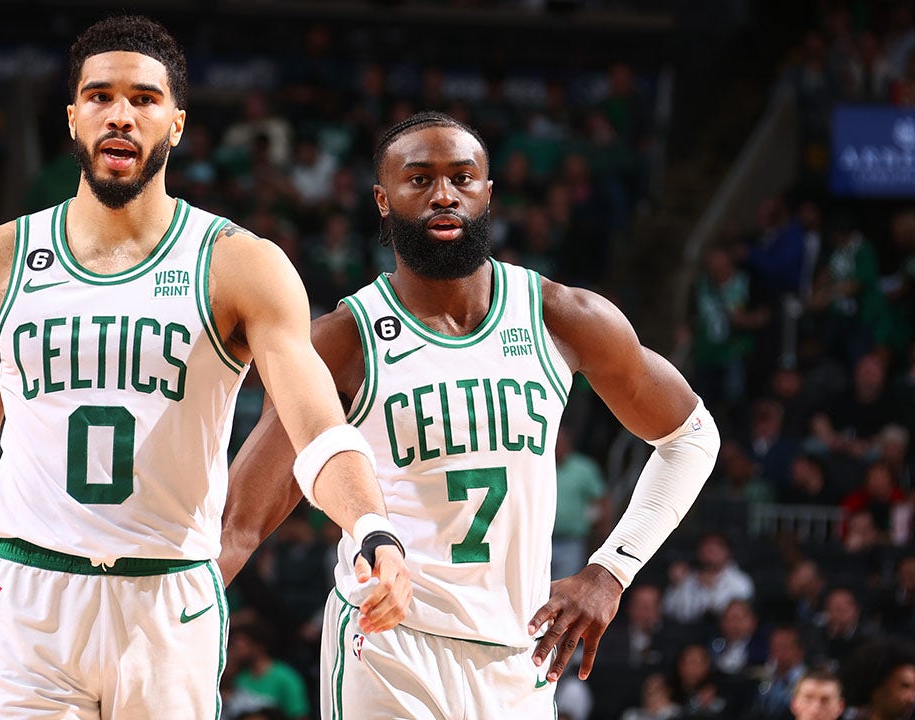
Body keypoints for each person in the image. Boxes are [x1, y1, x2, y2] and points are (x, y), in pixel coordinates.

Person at [0, 16, 411, 720]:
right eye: (100, 96)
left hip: (169, 597)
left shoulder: (241, 264)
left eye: (145, 99)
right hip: (30, 595)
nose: (121, 114)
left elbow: (316, 424)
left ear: (176, 124)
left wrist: (370, 528)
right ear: (72, 117)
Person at [219, 112, 718, 718]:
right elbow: (240, 521)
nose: (444, 195)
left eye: (462, 177)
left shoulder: (562, 317)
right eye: (419, 179)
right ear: (382, 199)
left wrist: (611, 571)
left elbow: (692, 436)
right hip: (388, 645)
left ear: (488, 192)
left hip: (519, 655)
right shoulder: (342, 342)